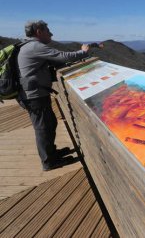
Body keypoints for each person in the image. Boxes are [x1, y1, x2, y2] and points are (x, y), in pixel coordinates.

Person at [17, 20, 90, 171]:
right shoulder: (35, 46)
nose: (51, 33)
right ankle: (49, 162)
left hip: (33, 93)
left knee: (49, 124)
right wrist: (83, 51)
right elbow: (63, 56)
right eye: (48, 30)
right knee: (43, 127)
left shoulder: (26, 46)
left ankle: (52, 153)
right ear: (38, 31)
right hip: (34, 95)